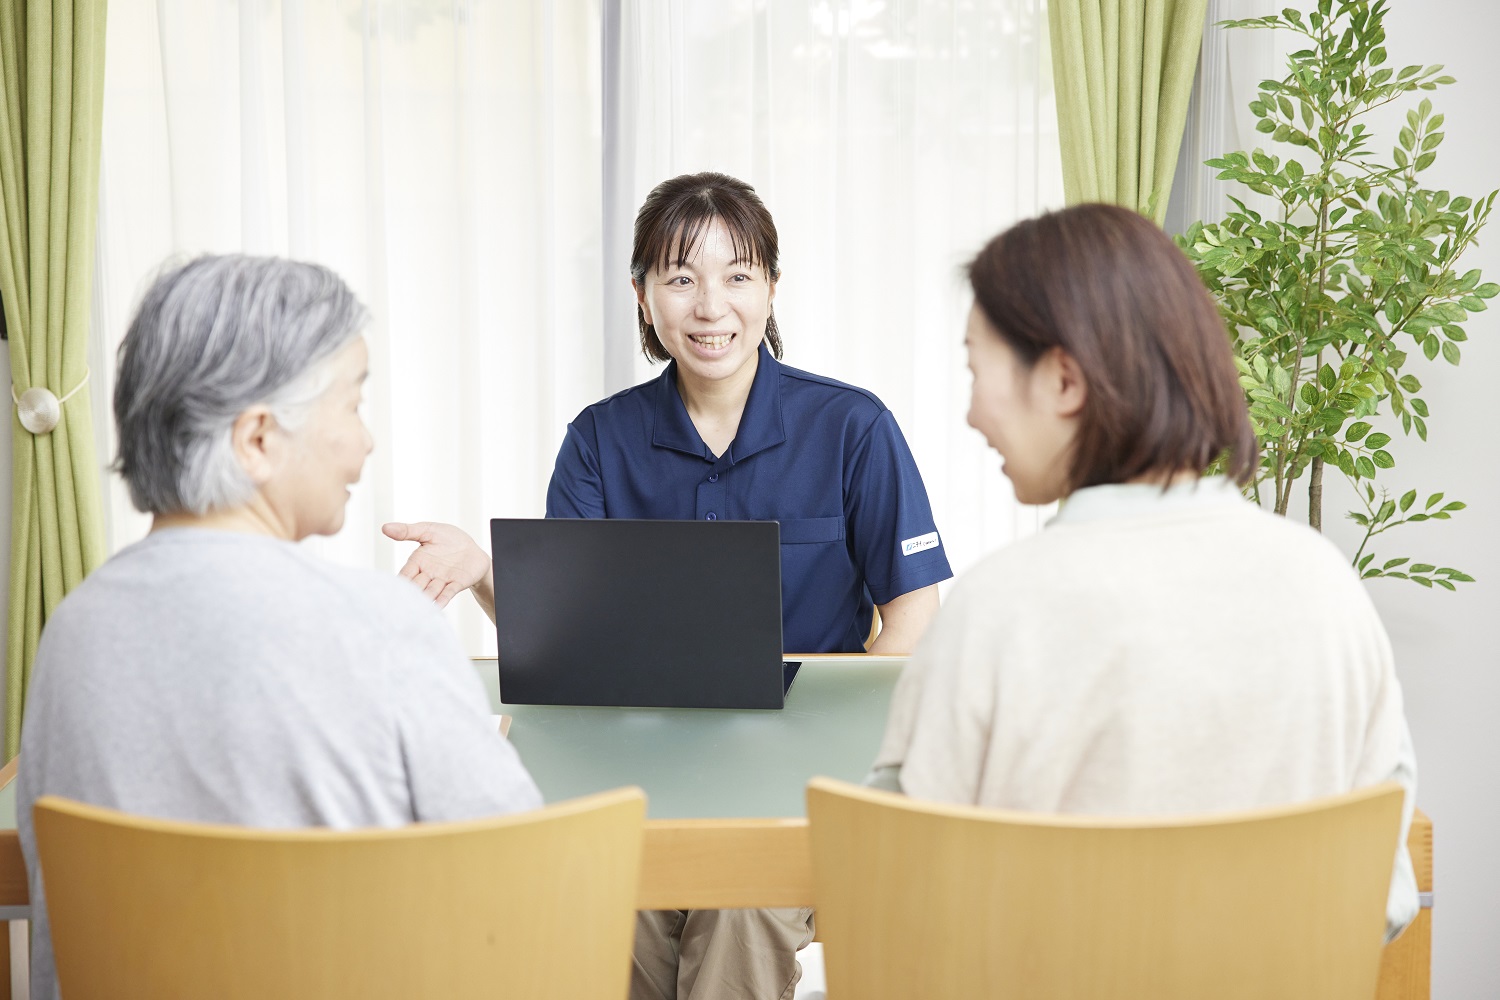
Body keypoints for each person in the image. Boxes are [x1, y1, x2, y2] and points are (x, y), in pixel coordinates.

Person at [385, 172, 954, 999]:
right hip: (639, 781)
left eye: (737, 276)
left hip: (798, 790)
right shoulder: (599, 440)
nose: (710, 306)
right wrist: (481, 571)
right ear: (644, 297)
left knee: (739, 908)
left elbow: (912, 611)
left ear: (771, 289)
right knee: (616, 909)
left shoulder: (853, 428)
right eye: (681, 278)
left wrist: (846, 760)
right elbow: (563, 640)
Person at [871, 202, 1419, 939]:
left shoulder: (1000, 607)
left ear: (1064, 380)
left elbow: (894, 896)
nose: (972, 413)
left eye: (978, 369)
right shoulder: (1326, 588)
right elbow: (1382, 896)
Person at [17, 256, 543, 1000]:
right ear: (258, 438)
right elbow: (529, 880)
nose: (365, 444)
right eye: (353, 407)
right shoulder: (385, 626)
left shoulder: (71, 631)